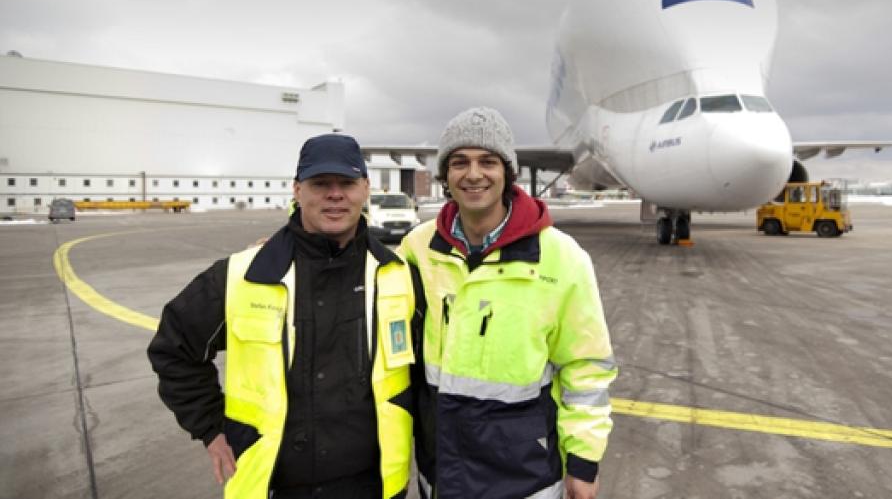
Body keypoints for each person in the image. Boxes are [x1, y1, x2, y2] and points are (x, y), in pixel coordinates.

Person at [148, 133, 421, 499]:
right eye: (321, 183)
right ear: (297, 190)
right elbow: (174, 350)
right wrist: (210, 429)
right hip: (275, 487)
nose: (335, 194)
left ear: (366, 189)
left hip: (375, 486)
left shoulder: (398, 275)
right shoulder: (240, 275)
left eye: (347, 183)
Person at [399, 107, 617, 499]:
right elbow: (367, 273)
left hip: (523, 475)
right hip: (443, 470)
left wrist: (583, 461)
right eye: (459, 162)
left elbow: (586, 367)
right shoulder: (418, 247)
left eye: (488, 161)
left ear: (507, 171)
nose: (474, 174)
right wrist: (292, 245)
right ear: (445, 175)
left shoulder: (561, 258)